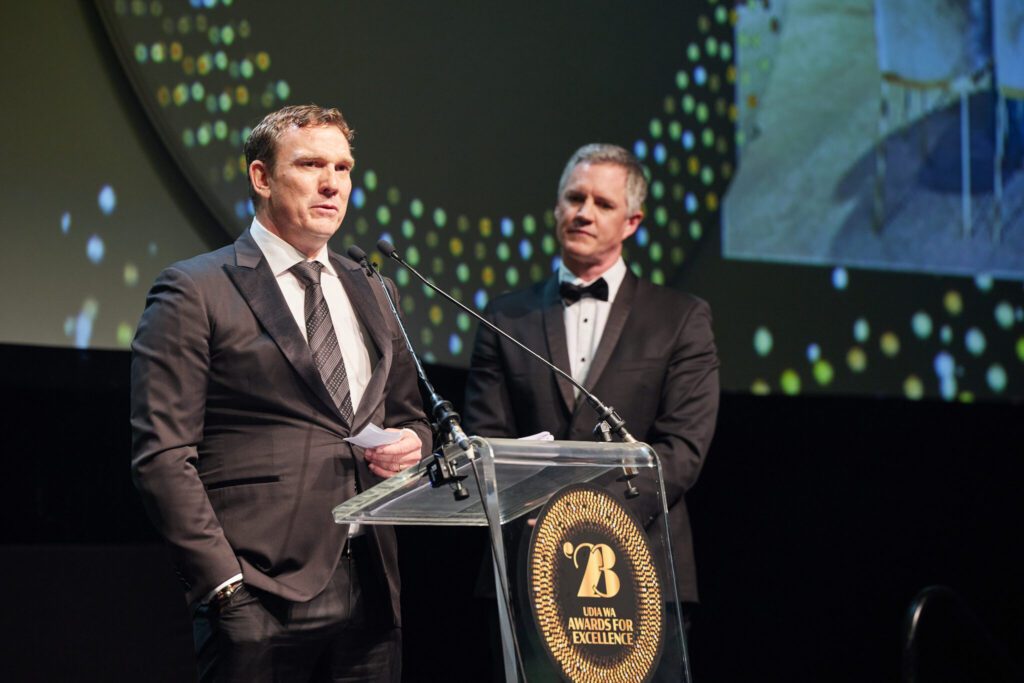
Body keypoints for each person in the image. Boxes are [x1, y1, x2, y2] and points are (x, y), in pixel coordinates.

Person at [130, 104, 430, 682]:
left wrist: (412, 445)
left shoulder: (374, 286)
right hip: (259, 594)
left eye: (342, 168)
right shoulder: (195, 289)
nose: (331, 184)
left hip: (371, 589)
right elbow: (162, 457)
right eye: (311, 165)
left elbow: (412, 419)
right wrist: (223, 587)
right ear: (262, 177)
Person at [463, 143, 719, 629]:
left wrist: (586, 515)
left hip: (642, 564)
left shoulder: (680, 318)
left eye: (603, 203)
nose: (584, 212)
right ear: (556, 207)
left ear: (632, 222)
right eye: (574, 198)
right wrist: (541, 517)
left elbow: (681, 450)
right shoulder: (506, 316)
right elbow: (487, 441)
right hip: (527, 562)